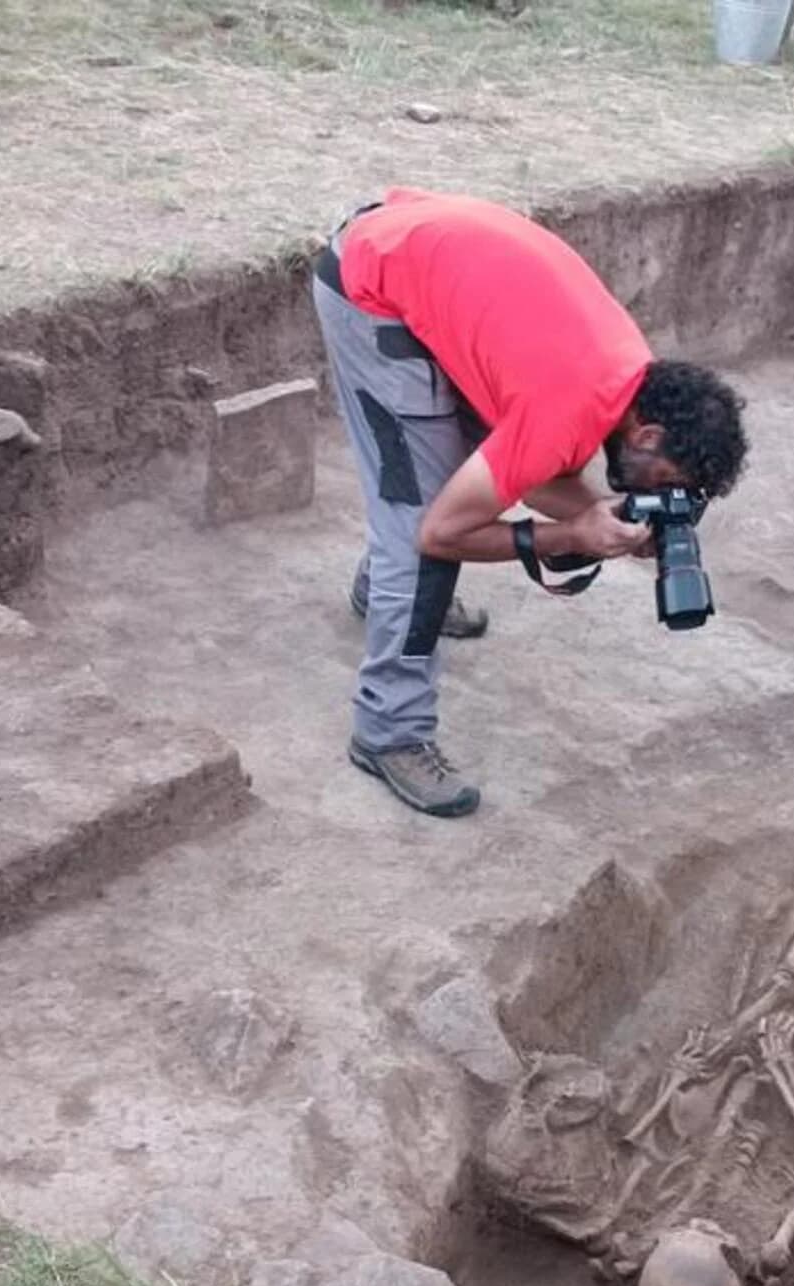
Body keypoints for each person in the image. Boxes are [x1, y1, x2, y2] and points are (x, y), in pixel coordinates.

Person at [312, 186, 748, 819]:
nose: (657, 494)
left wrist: (595, 514)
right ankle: (389, 731)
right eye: (665, 480)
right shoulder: (567, 405)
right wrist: (568, 537)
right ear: (648, 435)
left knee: (448, 478)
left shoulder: (624, 380)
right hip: (371, 290)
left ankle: (381, 590)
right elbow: (443, 533)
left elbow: (533, 471)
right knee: (421, 536)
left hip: (414, 247)